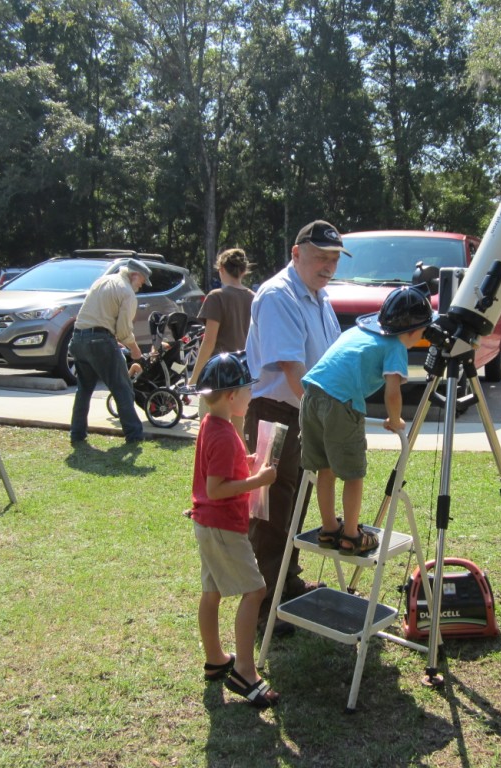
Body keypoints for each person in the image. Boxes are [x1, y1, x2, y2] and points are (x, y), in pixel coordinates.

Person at [245, 219, 348, 632]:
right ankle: (262, 605)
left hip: (303, 413)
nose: (328, 265)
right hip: (278, 413)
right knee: (270, 510)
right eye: (321, 256)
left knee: (295, 502)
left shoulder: (318, 295)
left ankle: (285, 583)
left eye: (334, 258)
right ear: (296, 253)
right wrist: (321, 419)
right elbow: (293, 368)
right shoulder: (279, 295)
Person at [300, 285, 433, 554]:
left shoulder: (357, 332)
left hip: (311, 397)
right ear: (412, 332)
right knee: (353, 473)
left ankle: (328, 529)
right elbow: (393, 390)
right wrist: (395, 420)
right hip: (341, 404)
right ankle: (351, 536)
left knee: (325, 468)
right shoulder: (396, 345)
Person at [187, 352, 280, 708]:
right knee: (255, 590)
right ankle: (244, 671)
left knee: (212, 592)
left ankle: (215, 659)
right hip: (223, 525)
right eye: (246, 390)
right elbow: (216, 489)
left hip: (207, 524)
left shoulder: (212, 424)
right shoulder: (225, 435)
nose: (250, 396)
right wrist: (258, 478)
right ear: (230, 396)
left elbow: (219, 470)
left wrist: (247, 463)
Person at [69, 259, 152, 445]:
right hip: (100, 342)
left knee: (83, 390)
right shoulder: (127, 292)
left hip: (78, 339)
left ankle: (77, 433)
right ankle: (134, 435)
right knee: (122, 388)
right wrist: (136, 351)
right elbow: (123, 330)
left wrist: (113, 340)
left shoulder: (103, 281)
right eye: (142, 282)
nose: (141, 286)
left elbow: (97, 315)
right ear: (135, 275)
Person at [188, 248, 255, 438]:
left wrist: (194, 379)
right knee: (238, 432)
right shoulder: (254, 297)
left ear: (221, 269)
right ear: (243, 271)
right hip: (244, 375)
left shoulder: (216, 296)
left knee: (209, 430)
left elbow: (208, 342)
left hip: (218, 376)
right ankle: (240, 468)